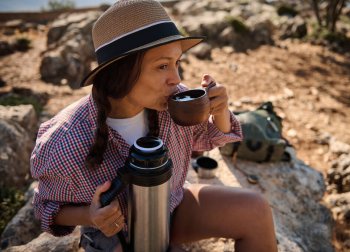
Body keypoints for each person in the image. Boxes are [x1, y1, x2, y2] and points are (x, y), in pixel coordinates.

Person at [30, 0, 278, 251]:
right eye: (162, 66)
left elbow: (209, 137)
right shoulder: (65, 139)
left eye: (177, 63)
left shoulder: (174, 102)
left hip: (171, 206)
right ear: (121, 70)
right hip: (115, 233)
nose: (177, 79)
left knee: (255, 211)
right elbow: (44, 207)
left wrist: (220, 111)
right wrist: (91, 216)